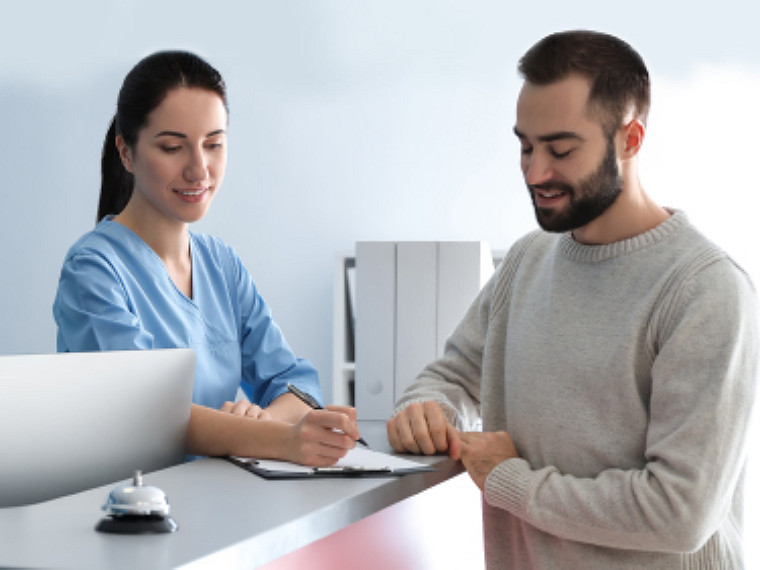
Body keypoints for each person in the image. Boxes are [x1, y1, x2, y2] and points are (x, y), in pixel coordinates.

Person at [387, 30, 758, 568]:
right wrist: (425, 410)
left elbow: (681, 512)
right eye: (525, 146)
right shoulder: (526, 262)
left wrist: (508, 480)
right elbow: (452, 375)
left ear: (630, 139)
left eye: (560, 150)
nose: (536, 173)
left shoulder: (705, 290)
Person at [53, 50, 361, 466]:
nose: (199, 170)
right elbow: (146, 411)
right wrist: (275, 439)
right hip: (129, 510)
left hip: (216, 502)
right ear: (126, 153)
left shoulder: (222, 265)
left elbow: (293, 382)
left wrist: (262, 420)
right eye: (172, 147)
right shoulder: (93, 270)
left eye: (213, 144)